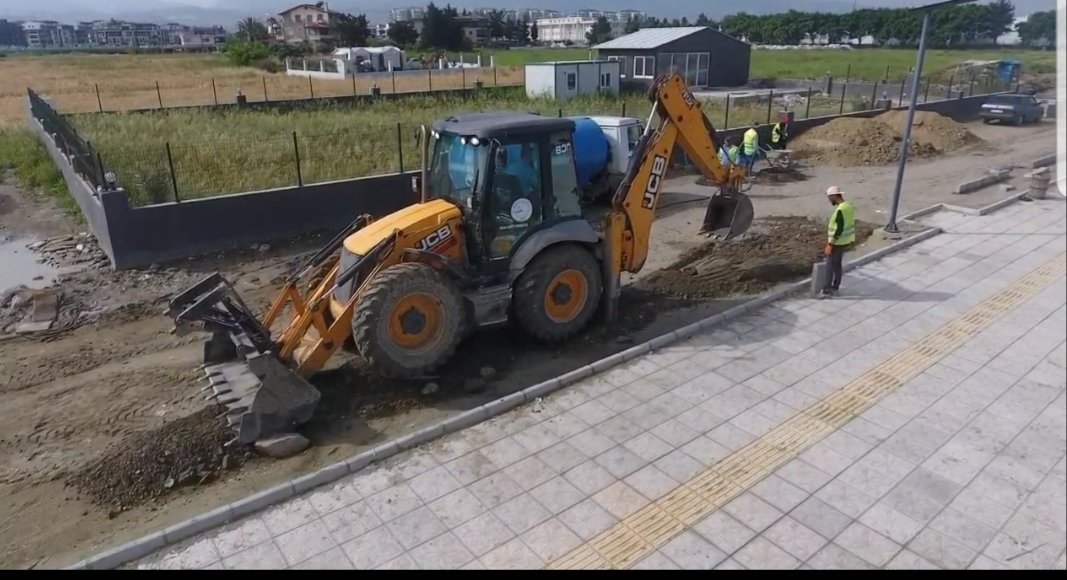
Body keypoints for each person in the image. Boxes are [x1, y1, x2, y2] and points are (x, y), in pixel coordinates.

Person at [821, 185, 856, 298]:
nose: (829, 200)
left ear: (834, 196)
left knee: (830, 266)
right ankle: (836, 287)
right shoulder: (848, 206)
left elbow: (839, 228)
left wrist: (830, 244)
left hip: (837, 242)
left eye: (829, 198)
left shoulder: (840, 210)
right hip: (845, 240)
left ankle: (827, 290)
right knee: (837, 265)